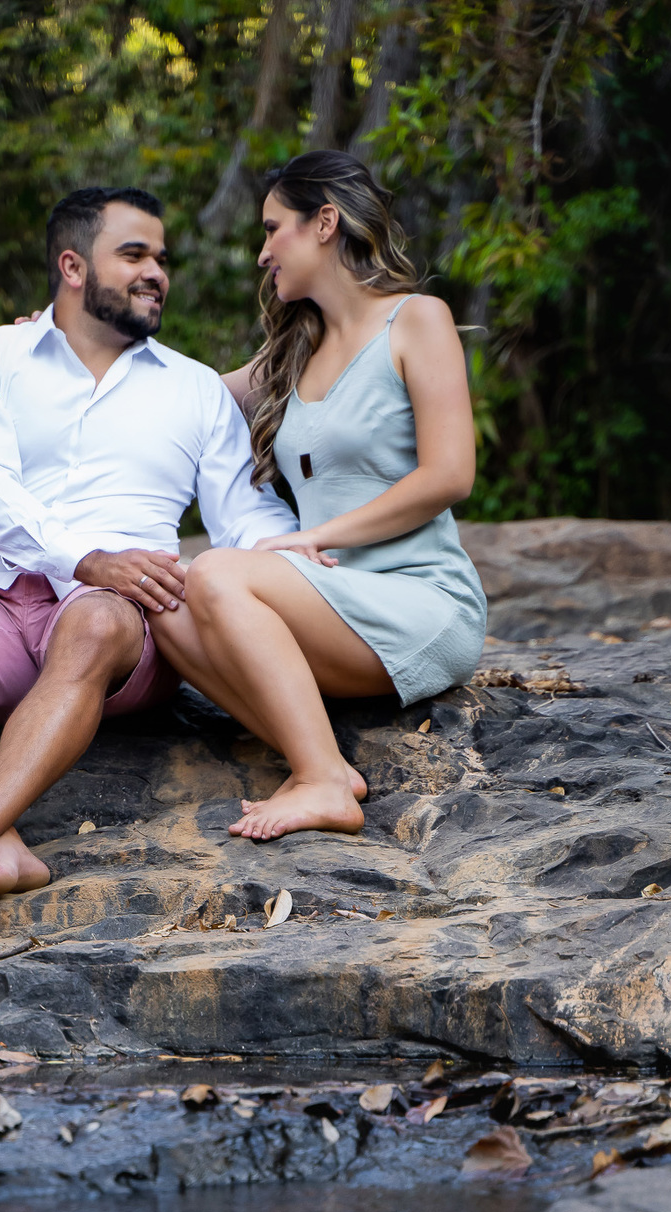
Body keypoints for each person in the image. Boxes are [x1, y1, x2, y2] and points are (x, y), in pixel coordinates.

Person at [0, 186, 296, 921]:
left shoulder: (194, 389)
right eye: (133, 255)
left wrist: (314, 555)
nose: (156, 272)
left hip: (122, 627)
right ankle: (3, 843)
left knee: (95, 619)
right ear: (72, 266)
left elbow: (244, 519)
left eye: (161, 259)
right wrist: (86, 558)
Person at [149, 150, 487, 841]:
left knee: (215, 571)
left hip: (419, 600)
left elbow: (450, 475)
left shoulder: (415, 320)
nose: (263, 252)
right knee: (163, 599)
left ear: (325, 223)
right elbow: (180, 399)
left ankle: (320, 780)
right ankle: (325, 762)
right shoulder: (293, 351)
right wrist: (67, 338)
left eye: (274, 229)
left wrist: (317, 535)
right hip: (330, 603)